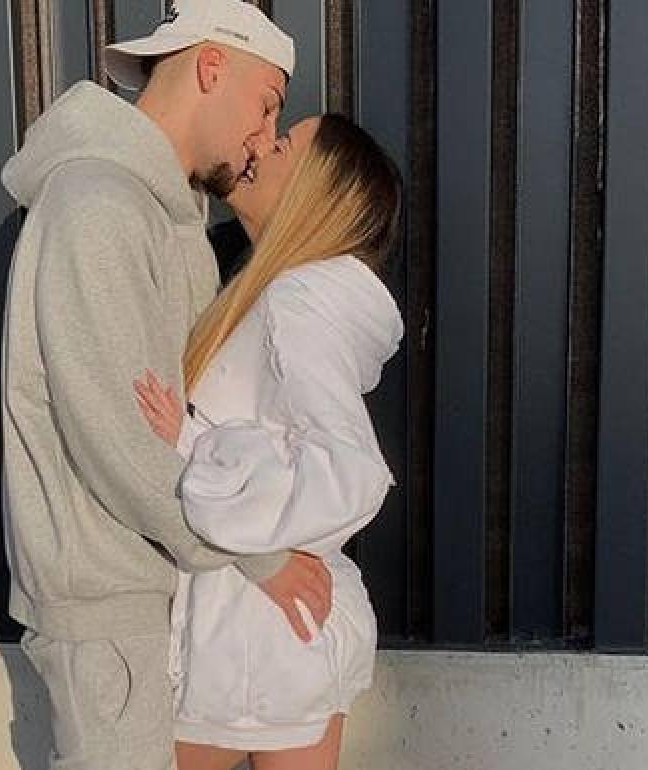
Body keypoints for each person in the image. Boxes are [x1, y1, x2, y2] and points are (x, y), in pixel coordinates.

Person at [0, 2, 334, 768]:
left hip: (139, 591)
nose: (264, 137)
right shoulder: (98, 206)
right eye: (267, 104)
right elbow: (116, 441)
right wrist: (261, 556)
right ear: (212, 66)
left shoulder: (156, 210)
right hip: (105, 602)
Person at [134, 113, 405, 770]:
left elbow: (348, 471)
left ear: (316, 192)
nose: (259, 144)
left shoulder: (296, 301)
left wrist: (194, 449)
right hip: (276, 630)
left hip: (252, 640)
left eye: (282, 145)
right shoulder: (277, 293)